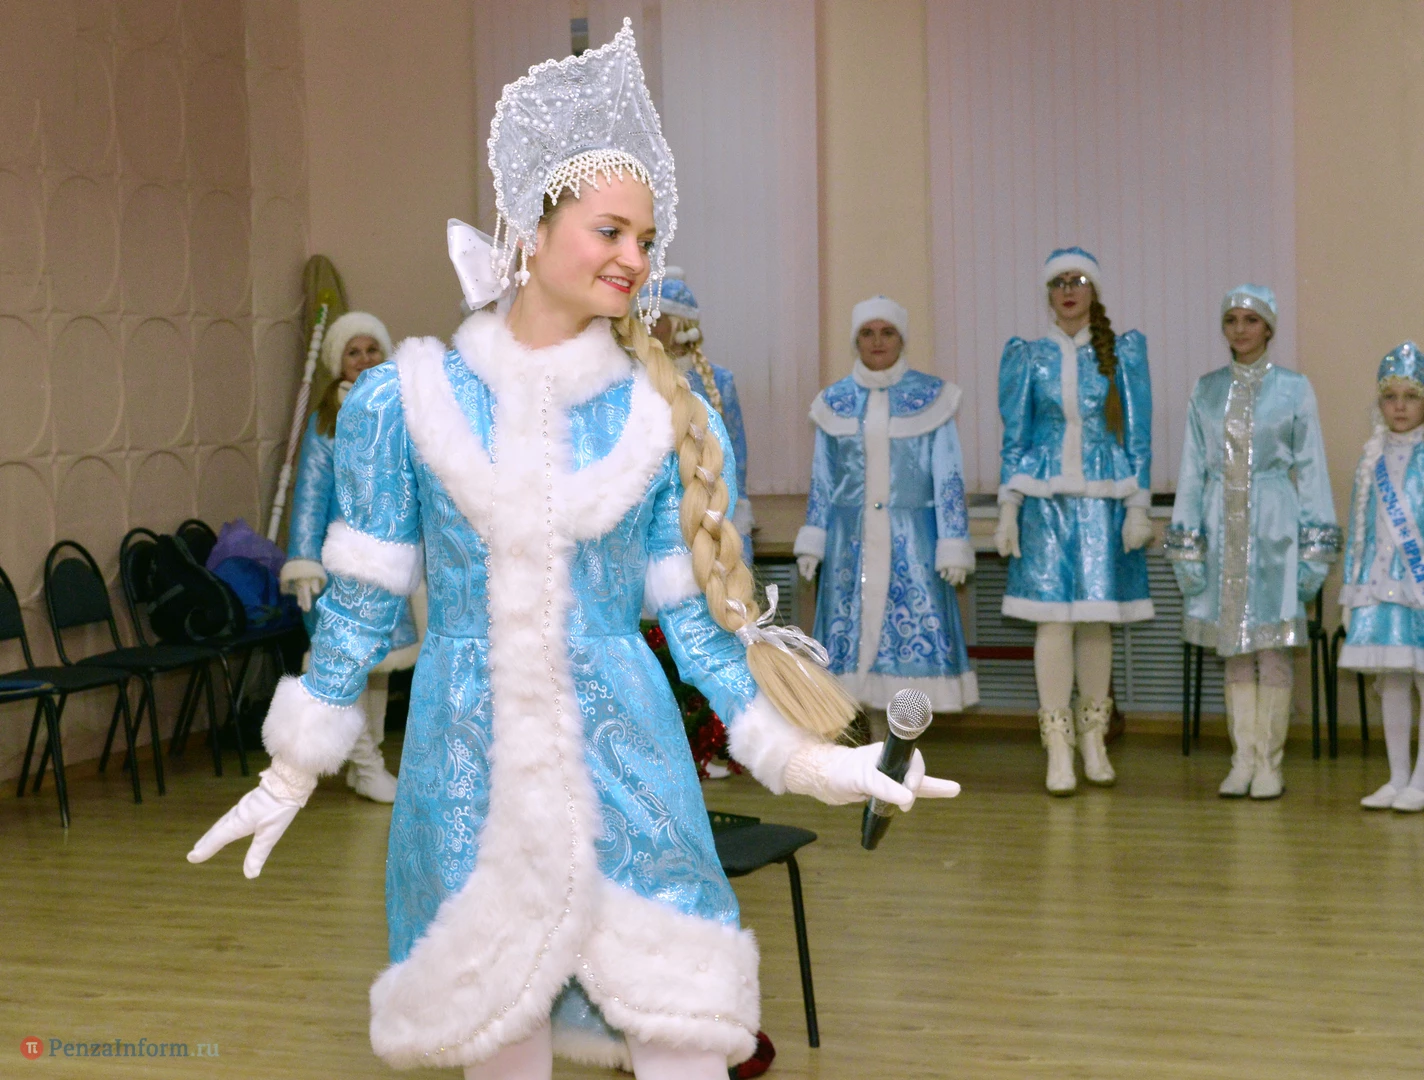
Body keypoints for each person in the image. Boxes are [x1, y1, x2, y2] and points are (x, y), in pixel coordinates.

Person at [187, 22, 958, 1080]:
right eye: (610, 231)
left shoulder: (665, 416)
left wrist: (812, 758)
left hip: (630, 763)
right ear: (529, 227)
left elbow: (702, 632)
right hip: (466, 769)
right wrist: (292, 766)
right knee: (498, 1042)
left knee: (683, 1033)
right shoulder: (403, 402)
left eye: (646, 239)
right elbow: (360, 609)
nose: (635, 259)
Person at [1165, 285, 1340, 800]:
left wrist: (1314, 552)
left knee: (1272, 647)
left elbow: (1312, 469)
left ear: (1269, 328)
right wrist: (1188, 544)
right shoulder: (1206, 390)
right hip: (1221, 524)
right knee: (1234, 649)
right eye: (1231, 319)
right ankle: (1242, 760)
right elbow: (1192, 470)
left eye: (1251, 319)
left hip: (1274, 528)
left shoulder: (1294, 389)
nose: (1240, 329)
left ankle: (1270, 763)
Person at [995, 249, 1154, 795]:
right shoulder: (1027, 357)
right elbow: (1015, 436)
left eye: (1079, 280)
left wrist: (1138, 506)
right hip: (1044, 504)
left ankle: (1093, 739)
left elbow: (1138, 432)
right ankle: (1058, 745)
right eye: (1059, 282)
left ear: (1093, 290)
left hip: (1103, 500)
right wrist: (1009, 507)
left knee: (1095, 621)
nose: (1069, 290)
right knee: (1052, 622)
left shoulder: (1122, 353)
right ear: (1048, 292)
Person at [794, 296, 977, 732]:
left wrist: (953, 541)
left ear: (901, 338)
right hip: (850, 545)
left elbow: (948, 478)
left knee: (905, 650)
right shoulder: (834, 401)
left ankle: (903, 745)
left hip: (912, 544)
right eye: (867, 333)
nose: (877, 342)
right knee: (855, 652)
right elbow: (822, 480)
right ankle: (875, 744)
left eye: (887, 332)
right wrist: (814, 538)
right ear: (856, 340)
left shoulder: (932, 398)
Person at [279, 311, 414, 803]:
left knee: (379, 666)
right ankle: (367, 765)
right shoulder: (326, 423)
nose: (364, 359)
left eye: (372, 349)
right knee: (348, 669)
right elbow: (309, 496)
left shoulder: (400, 411)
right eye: (353, 352)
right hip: (339, 570)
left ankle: (366, 766)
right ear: (339, 361)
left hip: (390, 566)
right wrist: (303, 562)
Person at [1337, 343, 1424, 811]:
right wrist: (1351, 593)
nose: (1400, 407)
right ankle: (1397, 777)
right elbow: (1360, 530)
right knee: (1392, 680)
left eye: (1411, 396)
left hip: (1420, 588)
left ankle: (1421, 783)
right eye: (1391, 397)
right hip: (1382, 587)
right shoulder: (1370, 457)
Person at [643, 269, 755, 559]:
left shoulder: (719, 382)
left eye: (655, 317)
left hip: (707, 509)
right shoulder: (634, 380)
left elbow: (736, 456)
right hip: (650, 512)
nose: (647, 325)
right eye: (641, 316)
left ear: (680, 323)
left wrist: (736, 516)